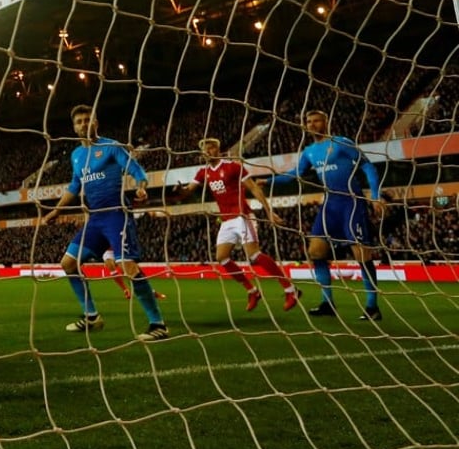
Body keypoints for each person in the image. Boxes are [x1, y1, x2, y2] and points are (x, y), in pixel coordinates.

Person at [41, 105, 168, 341]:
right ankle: (92, 317)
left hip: (116, 214)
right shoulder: (76, 155)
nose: (83, 124)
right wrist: (54, 212)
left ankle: (158, 324)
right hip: (95, 219)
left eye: (87, 119)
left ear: (96, 123)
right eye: (79, 121)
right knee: (68, 263)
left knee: (128, 267)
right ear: (74, 127)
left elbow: (136, 170)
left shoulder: (111, 146)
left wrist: (140, 187)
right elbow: (74, 187)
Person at [263, 110, 385, 320]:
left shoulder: (341, 143)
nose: (311, 124)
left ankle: (372, 306)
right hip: (329, 204)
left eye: (316, 120)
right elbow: (296, 174)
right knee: (316, 251)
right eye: (308, 121)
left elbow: (367, 166)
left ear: (326, 122)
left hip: (351, 202)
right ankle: (327, 303)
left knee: (361, 254)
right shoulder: (309, 151)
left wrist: (375, 195)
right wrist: (268, 181)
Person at [174, 138, 300, 312]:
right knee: (222, 257)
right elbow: (187, 191)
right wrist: (179, 191)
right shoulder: (203, 172)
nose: (208, 152)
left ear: (218, 150)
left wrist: (269, 210)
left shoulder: (233, 167)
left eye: (211, 148)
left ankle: (290, 289)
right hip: (226, 220)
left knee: (254, 255)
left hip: (243, 216)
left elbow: (254, 188)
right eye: (205, 149)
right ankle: (252, 291)